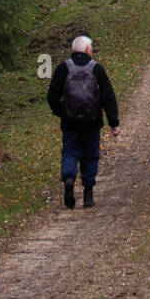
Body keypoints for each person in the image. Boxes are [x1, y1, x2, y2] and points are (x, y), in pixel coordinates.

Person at [47, 34, 119, 209]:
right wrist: (113, 122)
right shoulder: (96, 69)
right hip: (92, 121)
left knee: (70, 152)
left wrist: (62, 113)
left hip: (70, 122)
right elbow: (108, 96)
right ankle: (88, 193)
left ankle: (70, 178)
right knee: (90, 155)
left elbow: (52, 97)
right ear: (87, 49)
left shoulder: (63, 68)